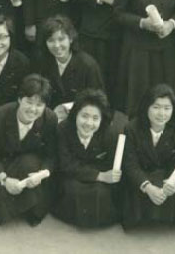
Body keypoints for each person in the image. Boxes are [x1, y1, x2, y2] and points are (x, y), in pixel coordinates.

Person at [0, 74, 59, 226]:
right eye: (29, 102)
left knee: (29, 163)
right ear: (19, 99)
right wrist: (4, 179)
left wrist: (42, 174)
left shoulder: (50, 118)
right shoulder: (0, 115)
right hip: (5, 168)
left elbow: (52, 155)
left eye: (39, 105)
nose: (33, 109)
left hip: (31, 171)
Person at [53, 88, 125, 228]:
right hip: (72, 173)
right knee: (71, 188)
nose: (88, 123)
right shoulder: (63, 129)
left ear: (102, 119)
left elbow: (110, 164)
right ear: (75, 115)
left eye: (95, 118)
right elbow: (66, 164)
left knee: (100, 192)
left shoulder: (111, 134)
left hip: (100, 172)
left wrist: (104, 176)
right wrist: (99, 176)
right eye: (84, 116)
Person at [121, 83, 175, 229]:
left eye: (167, 108)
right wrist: (148, 187)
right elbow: (130, 164)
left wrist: (173, 182)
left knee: (174, 189)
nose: (161, 113)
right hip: (142, 176)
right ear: (146, 107)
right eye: (156, 107)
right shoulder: (131, 128)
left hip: (166, 176)